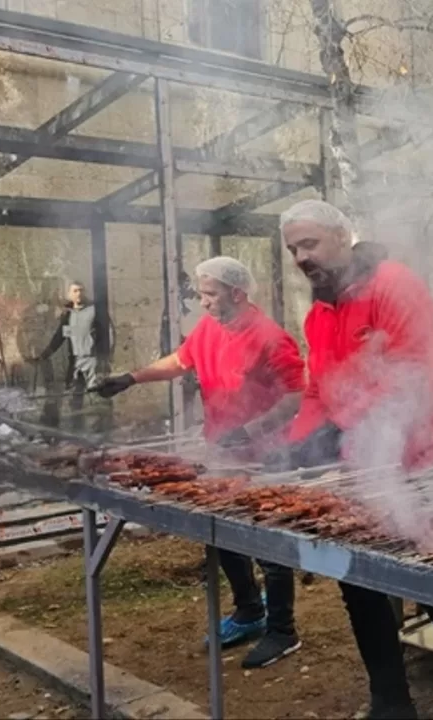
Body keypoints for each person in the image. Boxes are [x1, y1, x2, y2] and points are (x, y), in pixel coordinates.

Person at [277, 199, 433, 720]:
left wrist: (339, 430)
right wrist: (298, 442)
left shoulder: (394, 284)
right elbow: (318, 391)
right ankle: (390, 701)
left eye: (309, 243)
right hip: (363, 473)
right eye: (292, 249)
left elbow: (408, 379)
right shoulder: (317, 313)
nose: (301, 256)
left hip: (426, 467)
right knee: (361, 585)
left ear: (341, 236)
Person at [93, 257, 306, 669]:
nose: (203, 301)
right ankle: (249, 611)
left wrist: (251, 429)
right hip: (220, 450)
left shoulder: (271, 338)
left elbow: (296, 396)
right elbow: (180, 361)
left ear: (237, 294)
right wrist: (131, 378)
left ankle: (283, 630)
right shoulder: (209, 328)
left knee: (270, 543)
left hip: (265, 456)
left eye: (210, 294)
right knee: (220, 532)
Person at [32, 281, 109, 432]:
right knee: (75, 398)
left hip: (91, 359)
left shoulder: (94, 311)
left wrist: (104, 357)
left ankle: (100, 432)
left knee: (95, 397)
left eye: (81, 290)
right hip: (74, 361)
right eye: (75, 291)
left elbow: (106, 334)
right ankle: (77, 431)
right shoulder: (68, 315)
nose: (78, 294)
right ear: (69, 295)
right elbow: (60, 336)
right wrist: (45, 354)